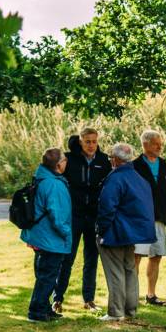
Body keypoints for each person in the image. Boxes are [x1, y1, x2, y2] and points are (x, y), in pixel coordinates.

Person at [53, 128, 112, 313]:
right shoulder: (69, 159)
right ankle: (57, 299)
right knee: (67, 258)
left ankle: (89, 299)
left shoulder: (103, 161)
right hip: (74, 215)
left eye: (94, 141)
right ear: (80, 142)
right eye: (87, 141)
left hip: (94, 216)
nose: (91, 145)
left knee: (91, 259)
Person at [97, 143, 156, 321]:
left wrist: (101, 229)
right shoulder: (139, 178)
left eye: (110, 157)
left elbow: (107, 207)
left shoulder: (116, 178)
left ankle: (116, 312)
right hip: (132, 234)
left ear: (115, 160)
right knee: (130, 271)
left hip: (114, 232)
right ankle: (130, 310)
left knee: (115, 272)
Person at [20, 148, 72, 323]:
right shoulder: (53, 184)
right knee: (47, 276)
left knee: (44, 274)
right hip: (50, 238)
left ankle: (44, 308)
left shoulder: (42, 178)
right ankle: (36, 312)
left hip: (40, 235)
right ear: (58, 165)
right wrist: (67, 233)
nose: (66, 162)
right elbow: (58, 216)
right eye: (64, 160)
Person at [132, 129, 166, 306]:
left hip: (159, 219)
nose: (159, 146)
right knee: (136, 257)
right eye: (156, 143)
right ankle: (132, 295)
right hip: (140, 220)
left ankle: (151, 294)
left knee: (156, 256)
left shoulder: (165, 166)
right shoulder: (134, 166)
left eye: (160, 143)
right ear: (145, 144)